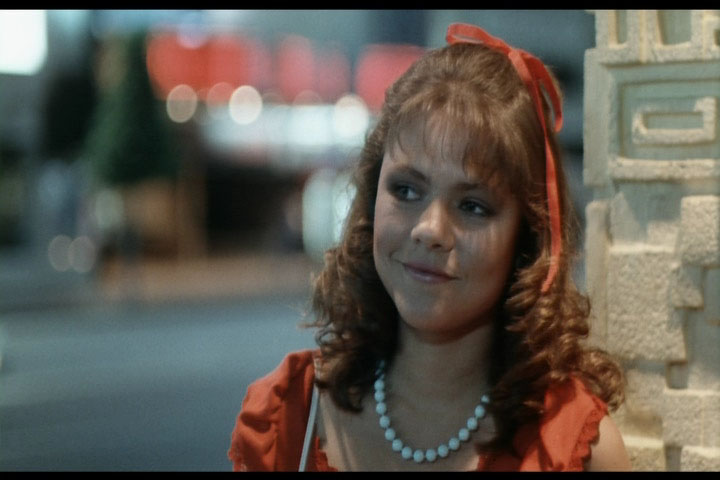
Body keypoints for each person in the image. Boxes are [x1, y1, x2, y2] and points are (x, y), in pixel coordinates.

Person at [228, 23, 631, 472]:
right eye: (406, 190)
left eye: (473, 206)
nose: (430, 229)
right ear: (371, 199)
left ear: (526, 238)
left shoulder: (575, 449)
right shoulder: (288, 418)